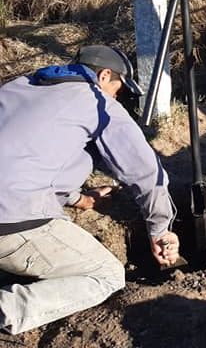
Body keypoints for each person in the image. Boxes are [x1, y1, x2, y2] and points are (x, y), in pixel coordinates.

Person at [0, 46, 180, 335]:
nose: (116, 97)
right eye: (118, 90)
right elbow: (145, 172)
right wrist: (160, 228)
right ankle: (7, 308)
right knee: (107, 275)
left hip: (8, 206)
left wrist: (79, 198)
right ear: (104, 74)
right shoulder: (96, 101)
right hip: (10, 222)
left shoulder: (19, 86)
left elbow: (24, 156)